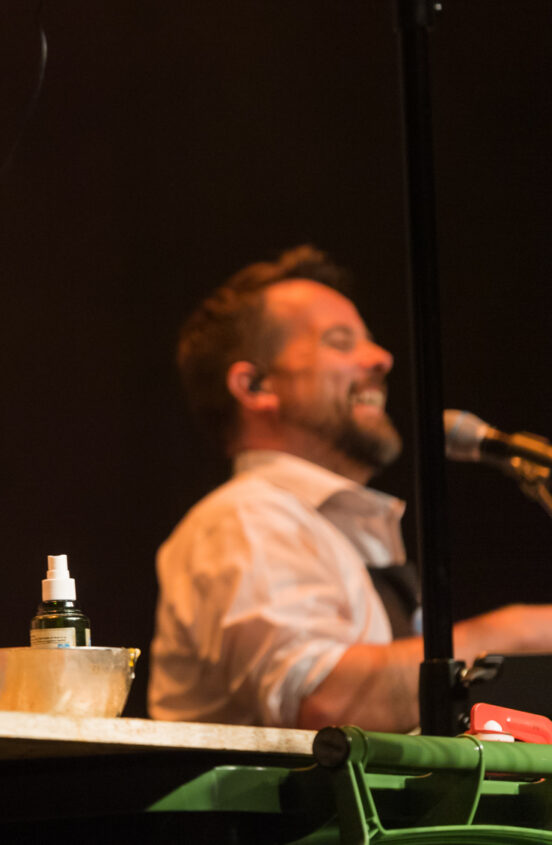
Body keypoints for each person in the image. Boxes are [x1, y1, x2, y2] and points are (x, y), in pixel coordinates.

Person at [150, 246, 552, 729]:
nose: (382, 358)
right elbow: (325, 702)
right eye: (340, 343)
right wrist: (521, 633)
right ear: (255, 386)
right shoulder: (245, 518)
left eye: (370, 342)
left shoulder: (325, 527)